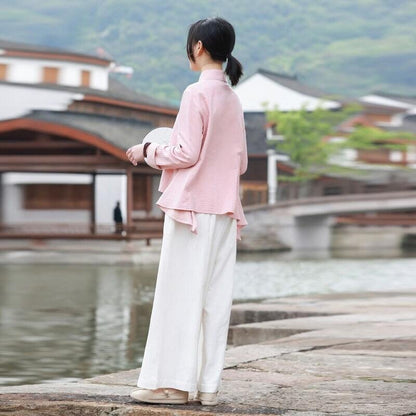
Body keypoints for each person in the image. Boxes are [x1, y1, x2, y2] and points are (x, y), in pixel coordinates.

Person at [126, 17, 247, 406]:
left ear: (197, 47)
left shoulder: (196, 95)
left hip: (191, 209)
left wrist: (146, 152)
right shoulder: (232, 98)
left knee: (179, 296)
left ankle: (174, 387)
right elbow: (240, 162)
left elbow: (185, 153)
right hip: (225, 210)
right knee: (213, 300)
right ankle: (208, 388)